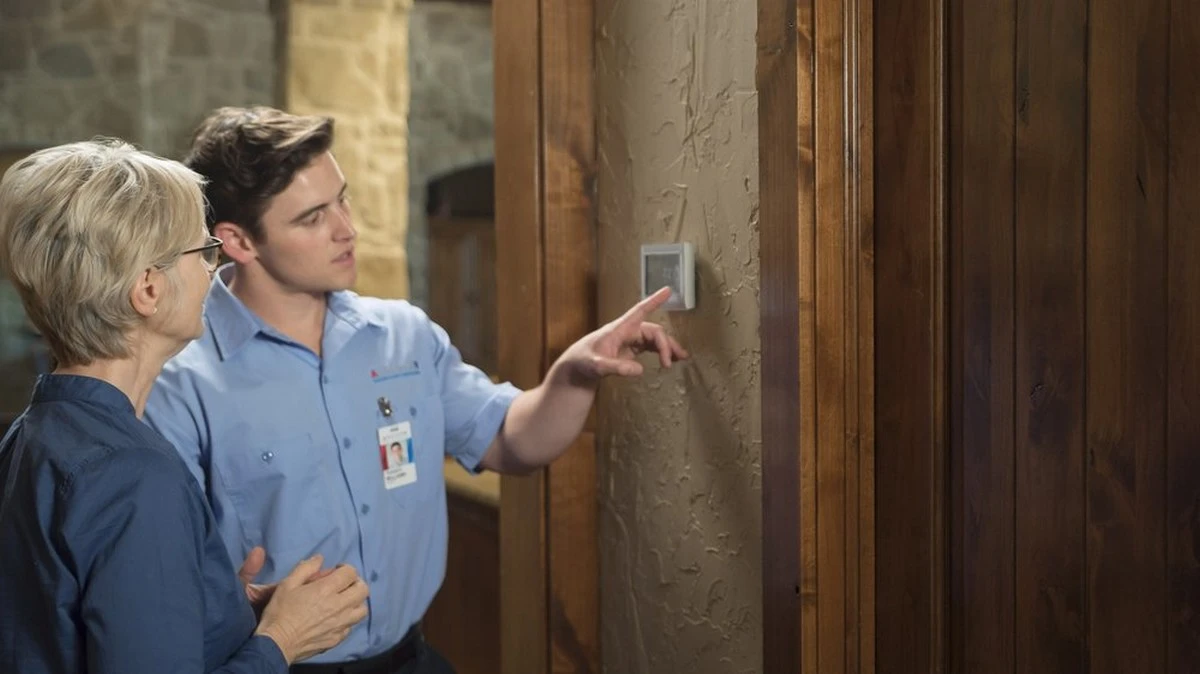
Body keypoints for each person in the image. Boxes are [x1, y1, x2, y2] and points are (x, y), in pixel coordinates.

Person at [144, 106, 688, 674]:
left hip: (412, 659)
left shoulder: (403, 336)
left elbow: (512, 440)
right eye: (311, 218)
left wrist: (574, 374)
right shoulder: (181, 378)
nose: (346, 229)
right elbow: (161, 578)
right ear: (238, 241)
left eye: (343, 199)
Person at [0, 139, 371, 673]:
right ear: (148, 290)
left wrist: (216, 606)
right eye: (204, 253)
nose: (214, 272)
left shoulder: (32, 432)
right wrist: (282, 640)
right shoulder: (134, 474)